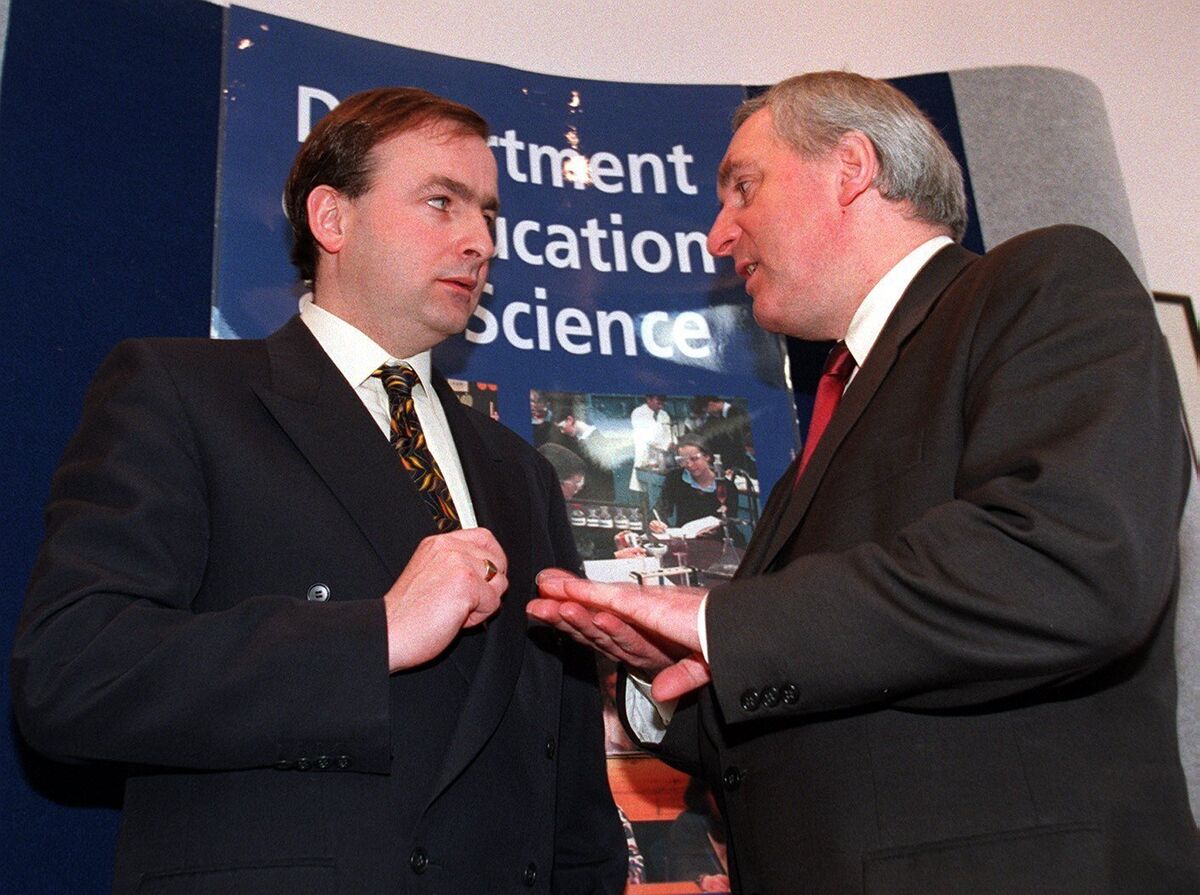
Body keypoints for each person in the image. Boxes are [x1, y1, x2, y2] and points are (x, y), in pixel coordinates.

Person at [529, 71, 1200, 893]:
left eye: (743, 186)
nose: (715, 234)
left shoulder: (1044, 284)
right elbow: (794, 716)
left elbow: (1069, 563)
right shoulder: (828, 422)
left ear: (851, 167)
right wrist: (655, 672)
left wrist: (720, 624)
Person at [11, 87, 625, 894]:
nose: (479, 240)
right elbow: (73, 676)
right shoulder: (182, 393)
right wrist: (372, 634)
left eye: (487, 213)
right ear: (331, 219)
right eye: (441, 202)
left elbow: (568, 783)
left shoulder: (522, 472)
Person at [649, 435, 742, 544]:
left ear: (707, 456)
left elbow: (730, 521)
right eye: (683, 460)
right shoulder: (675, 479)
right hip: (687, 541)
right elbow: (660, 509)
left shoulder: (726, 486)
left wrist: (715, 531)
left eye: (694, 459)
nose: (689, 465)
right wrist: (656, 523)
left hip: (719, 543)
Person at [629, 394, 672, 492]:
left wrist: (671, 442)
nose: (660, 407)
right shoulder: (638, 413)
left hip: (661, 458)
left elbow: (669, 433)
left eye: (662, 404)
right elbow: (648, 437)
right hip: (645, 456)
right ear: (648, 400)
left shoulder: (664, 415)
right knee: (645, 489)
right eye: (658, 403)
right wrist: (665, 445)